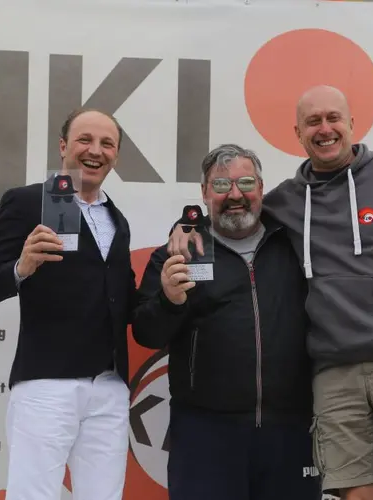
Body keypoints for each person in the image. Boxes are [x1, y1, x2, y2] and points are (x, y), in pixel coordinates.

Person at [167, 86, 373, 500]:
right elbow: (235, 211)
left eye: (333, 118)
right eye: (313, 122)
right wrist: (187, 227)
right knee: (357, 493)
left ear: (351, 124)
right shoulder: (286, 201)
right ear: (298, 132)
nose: (324, 129)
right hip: (332, 373)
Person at [132, 144, 321, 500]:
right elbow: (146, 332)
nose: (235, 195)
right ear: (204, 193)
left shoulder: (295, 245)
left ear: (262, 189)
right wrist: (169, 301)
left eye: (245, 183)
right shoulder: (177, 254)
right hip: (205, 434)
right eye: (221, 186)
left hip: (291, 431)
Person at [0, 108, 137, 500]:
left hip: (109, 387)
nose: (95, 151)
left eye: (106, 143)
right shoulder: (27, 202)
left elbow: (122, 297)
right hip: (46, 385)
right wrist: (21, 267)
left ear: (116, 155)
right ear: (63, 147)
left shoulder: (117, 219)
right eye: (84, 140)